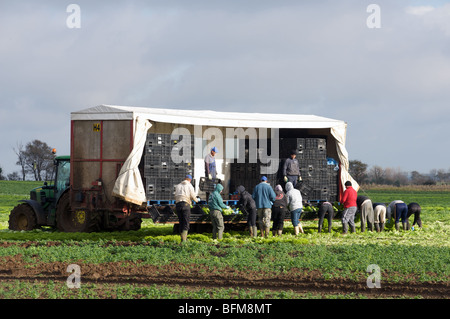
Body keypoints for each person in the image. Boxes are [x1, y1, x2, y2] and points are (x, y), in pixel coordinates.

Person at [174, 175, 199, 243]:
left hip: (178, 205)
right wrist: (197, 200)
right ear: (190, 180)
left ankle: (181, 239)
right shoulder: (189, 186)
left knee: (181, 222)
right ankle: (184, 240)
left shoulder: (178, 185)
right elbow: (193, 195)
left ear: (184, 179)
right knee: (186, 222)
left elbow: (175, 195)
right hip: (185, 204)